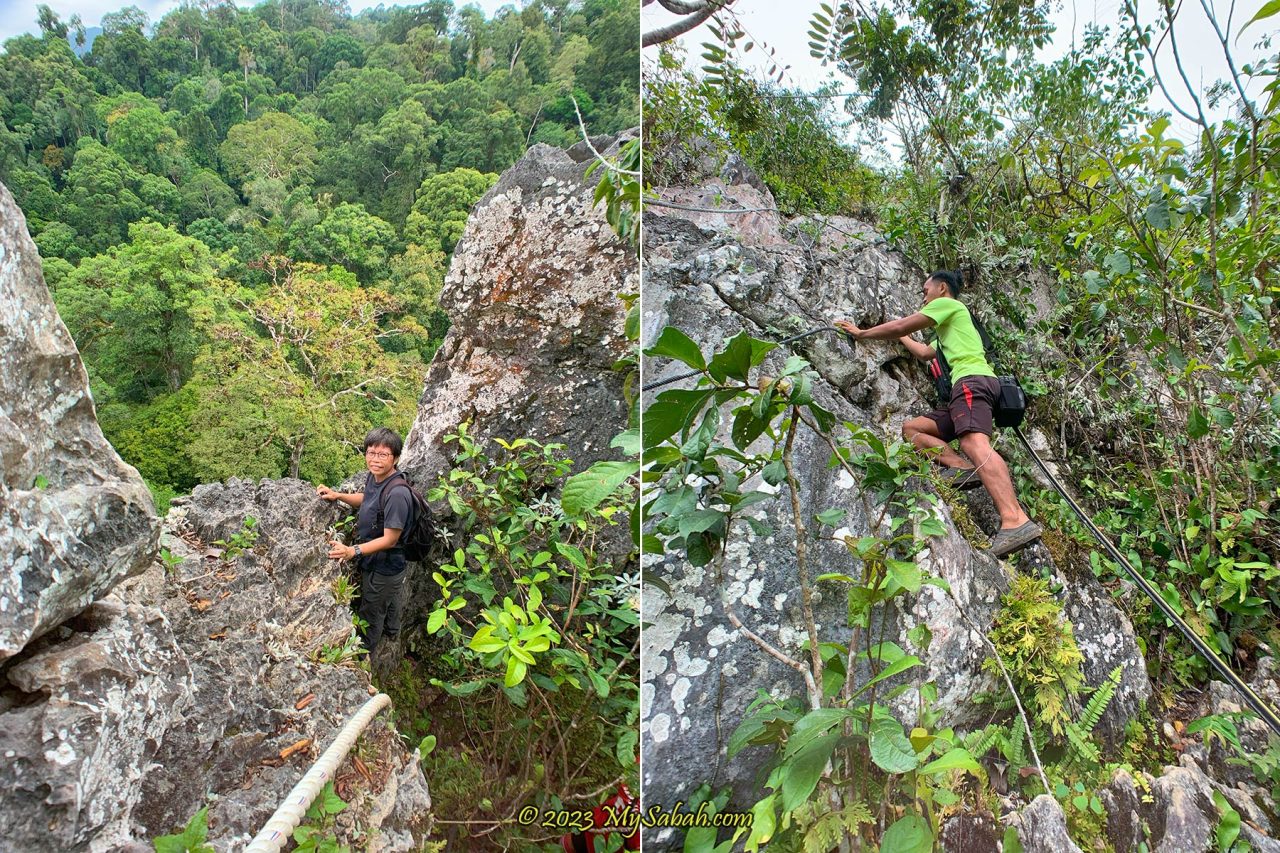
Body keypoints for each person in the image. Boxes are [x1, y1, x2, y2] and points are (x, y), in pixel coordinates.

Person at [834, 270, 1042, 558]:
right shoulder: (949, 329)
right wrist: (904, 337)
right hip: (969, 387)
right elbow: (924, 352)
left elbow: (903, 324)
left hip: (971, 382)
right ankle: (959, 466)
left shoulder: (950, 305)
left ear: (942, 288)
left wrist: (862, 333)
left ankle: (1015, 519)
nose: (924, 296)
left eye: (925, 290)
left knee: (974, 443)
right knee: (913, 430)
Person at [316, 427, 414, 651]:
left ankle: (364, 654)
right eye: (371, 453)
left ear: (396, 458)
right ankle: (392, 631)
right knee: (390, 599)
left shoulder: (398, 494)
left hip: (386, 566)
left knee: (371, 611)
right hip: (379, 561)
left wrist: (352, 551)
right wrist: (339, 495)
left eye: (383, 455)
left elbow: (390, 539)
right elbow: (368, 499)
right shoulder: (376, 477)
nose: (375, 459)